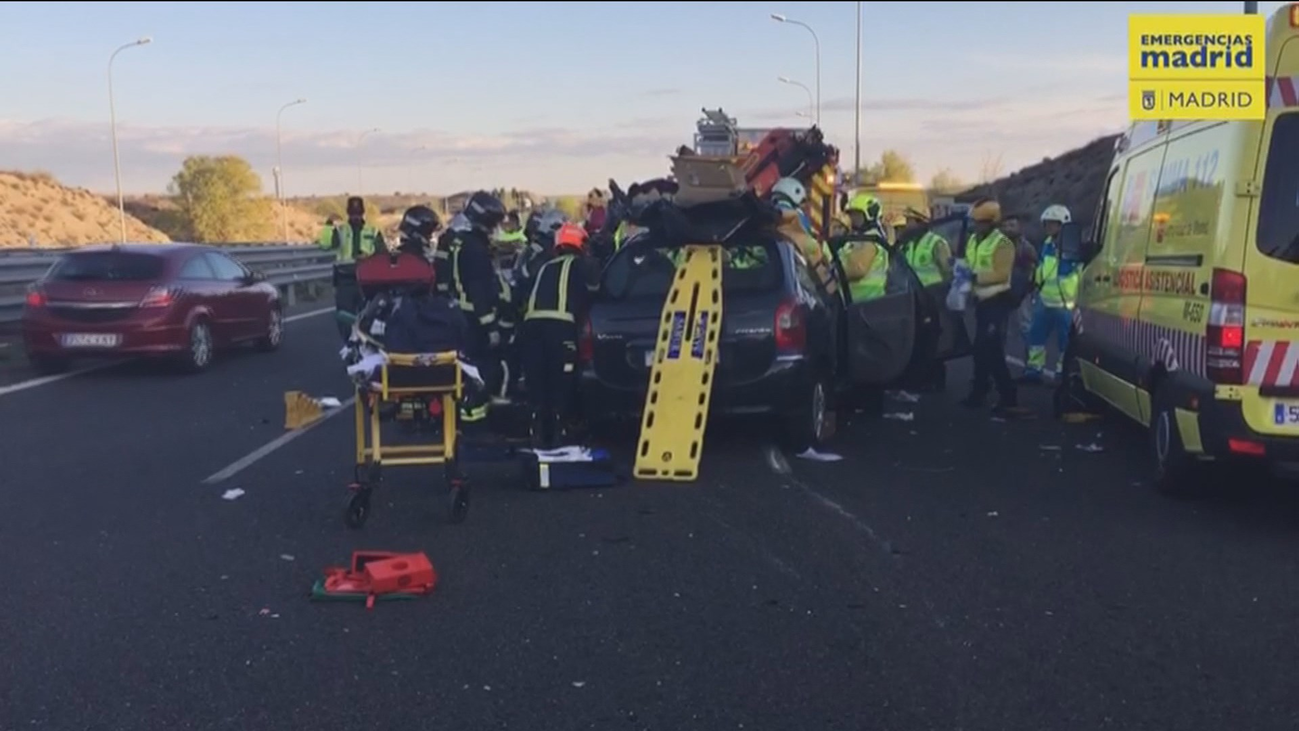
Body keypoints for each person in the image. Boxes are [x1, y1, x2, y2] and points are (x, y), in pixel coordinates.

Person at [520, 222, 601, 448]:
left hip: (531, 327)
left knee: (538, 380)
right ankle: (559, 434)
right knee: (561, 382)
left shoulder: (545, 265)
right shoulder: (580, 264)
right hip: (560, 327)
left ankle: (536, 432)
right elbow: (595, 289)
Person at [959, 199, 1026, 417]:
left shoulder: (1002, 244)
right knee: (980, 349)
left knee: (992, 350)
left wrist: (975, 276)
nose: (976, 226)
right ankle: (980, 391)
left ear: (991, 222)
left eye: (980, 223)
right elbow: (970, 262)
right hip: (981, 301)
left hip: (997, 301)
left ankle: (1008, 396)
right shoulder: (973, 241)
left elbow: (1001, 273)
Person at [451, 191, 508, 423]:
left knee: (473, 369)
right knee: (481, 370)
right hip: (473, 321)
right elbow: (478, 291)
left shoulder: (467, 242)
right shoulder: (475, 249)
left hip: (466, 317)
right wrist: (491, 327)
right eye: (494, 223)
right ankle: (474, 420)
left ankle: (472, 416)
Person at [1020, 205, 1078, 384]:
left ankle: (1063, 372)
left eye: (1053, 224)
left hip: (1064, 303)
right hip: (1045, 300)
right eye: (1047, 224)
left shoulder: (1072, 246)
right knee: (1035, 337)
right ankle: (1034, 369)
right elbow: (1043, 267)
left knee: (1065, 342)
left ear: (1063, 225)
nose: (1049, 227)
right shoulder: (1046, 243)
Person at [321, 196, 386, 340]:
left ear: (363, 213)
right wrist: (328, 225)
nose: (355, 217)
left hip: (368, 278)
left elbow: (383, 254)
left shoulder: (373, 231)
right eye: (353, 214)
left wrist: (368, 258)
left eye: (358, 214)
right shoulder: (341, 230)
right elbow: (325, 245)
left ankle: (365, 341)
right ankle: (348, 342)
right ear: (348, 214)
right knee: (344, 316)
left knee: (369, 314)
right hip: (345, 278)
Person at [770, 177, 837, 297]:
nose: (803, 207)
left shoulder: (768, 217)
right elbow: (814, 255)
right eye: (802, 203)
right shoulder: (796, 220)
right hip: (797, 285)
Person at [837, 193, 891, 303]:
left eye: (857, 215)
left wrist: (832, 273)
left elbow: (858, 270)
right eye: (851, 215)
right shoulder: (857, 238)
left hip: (867, 304)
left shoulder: (871, 239)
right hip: (853, 304)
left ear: (870, 215)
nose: (853, 219)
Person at [897, 207, 952, 288]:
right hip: (914, 294)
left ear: (920, 222)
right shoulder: (908, 245)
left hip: (932, 294)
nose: (907, 225)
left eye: (909, 221)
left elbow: (947, 273)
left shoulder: (937, 243)